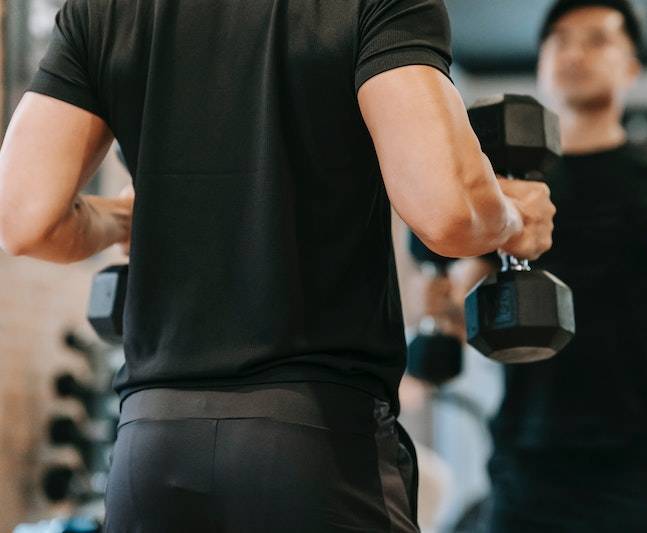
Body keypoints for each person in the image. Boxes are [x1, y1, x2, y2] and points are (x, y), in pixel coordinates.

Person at [0, 1, 558, 531]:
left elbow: (25, 221)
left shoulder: (102, 10)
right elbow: (451, 213)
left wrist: (122, 221)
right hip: (314, 441)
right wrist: (513, 219)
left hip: (150, 446)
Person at [413, 1, 647, 530]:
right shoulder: (502, 192)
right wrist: (440, 310)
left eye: (596, 40)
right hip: (524, 463)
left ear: (632, 66)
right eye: (559, 40)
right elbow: (454, 302)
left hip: (629, 468)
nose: (573, 52)